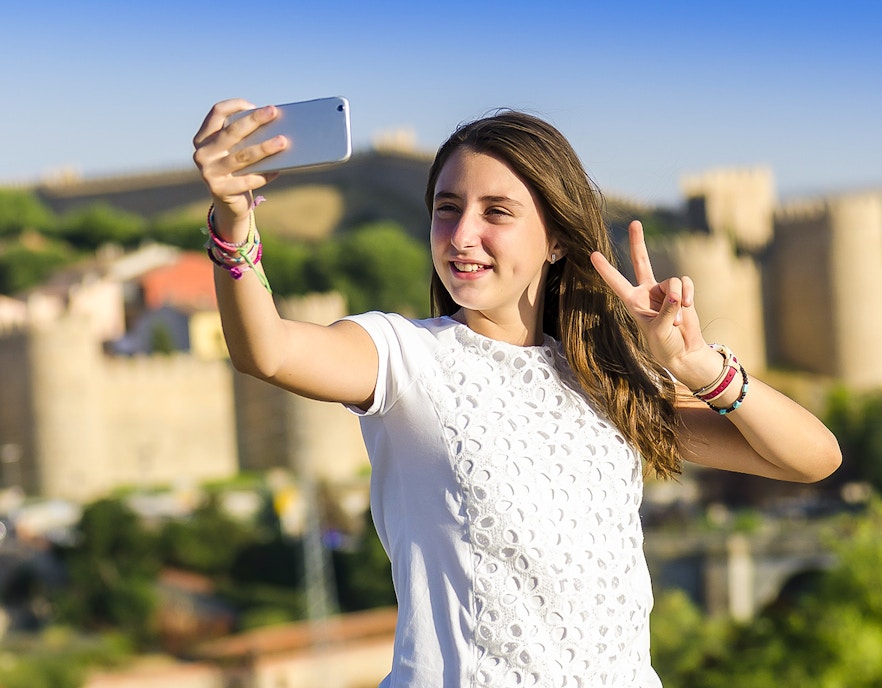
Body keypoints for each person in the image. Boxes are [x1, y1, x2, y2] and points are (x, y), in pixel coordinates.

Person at [192, 99, 841, 687]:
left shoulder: (609, 386)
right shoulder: (406, 357)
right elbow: (267, 350)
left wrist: (699, 368)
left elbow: (812, 458)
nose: (462, 234)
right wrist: (233, 220)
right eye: (447, 209)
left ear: (557, 238)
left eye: (496, 212)